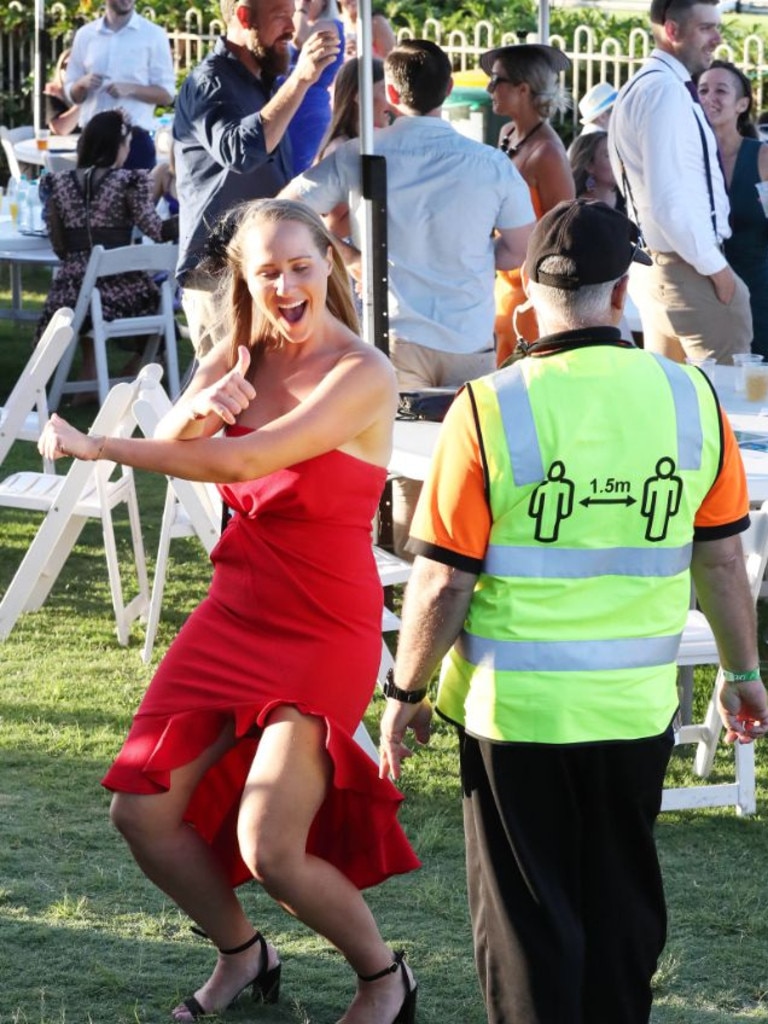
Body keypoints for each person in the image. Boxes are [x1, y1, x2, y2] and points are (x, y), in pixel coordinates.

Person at [378, 198, 768, 1024]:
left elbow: (444, 581)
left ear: (524, 294)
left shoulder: (486, 408)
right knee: (623, 910)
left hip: (513, 716)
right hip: (633, 707)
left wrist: (404, 694)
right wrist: (741, 674)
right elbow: (724, 557)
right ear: (621, 293)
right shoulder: (692, 398)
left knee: (527, 928)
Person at [38, 198, 420, 1024]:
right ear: (244, 281)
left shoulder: (364, 373)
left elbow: (243, 458)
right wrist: (205, 397)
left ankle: (384, 976)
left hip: (324, 627)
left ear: (331, 265)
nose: (285, 286)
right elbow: (187, 443)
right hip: (234, 611)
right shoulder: (235, 356)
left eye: (299, 266)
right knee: (140, 812)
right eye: (266, 272)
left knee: (270, 846)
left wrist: (98, 443)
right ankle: (245, 956)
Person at [282, 39, 535, 554]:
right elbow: (519, 251)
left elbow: (286, 209)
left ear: (391, 93)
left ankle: (410, 588)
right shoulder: (488, 164)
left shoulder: (361, 154)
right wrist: (474, 253)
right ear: (448, 88)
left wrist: (347, 253)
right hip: (467, 335)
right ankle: (460, 586)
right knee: (474, 470)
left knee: (406, 476)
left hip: (392, 332)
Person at [173, 0, 341, 358]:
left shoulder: (261, 83)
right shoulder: (209, 82)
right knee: (226, 400)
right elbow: (241, 151)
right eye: (280, 15)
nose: (292, 29)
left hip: (262, 271)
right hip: (219, 276)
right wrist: (300, 79)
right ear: (245, 17)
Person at [609, 0, 752, 365]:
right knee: (730, 406)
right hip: (686, 269)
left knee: (672, 406)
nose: (717, 39)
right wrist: (719, 273)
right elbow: (668, 201)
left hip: (663, 266)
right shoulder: (665, 91)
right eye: (706, 28)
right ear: (672, 31)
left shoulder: (646, 86)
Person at [35, 109, 178, 388]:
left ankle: (89, 379)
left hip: (70, 291)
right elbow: (157, 231)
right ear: (118, 146)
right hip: (120, 290)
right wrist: (192, 220)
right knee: (156, 299)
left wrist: (79, 263)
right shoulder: (128, 182)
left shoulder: (58, 182)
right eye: (127, 144)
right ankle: (136, 375)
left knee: (92, 301)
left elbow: (59, 244)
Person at [480, 43, 575, 364]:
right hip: (503, 284)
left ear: (522, 89)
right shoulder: (508, 133)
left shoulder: (547, 153)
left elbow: (566, 234)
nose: (489, 88)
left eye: (496, 80)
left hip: (533, 294)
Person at [698, 60, 768, 358]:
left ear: (741, 104)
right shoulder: (689, 157)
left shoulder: (762, 157)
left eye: (720, 90)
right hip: (702, 291)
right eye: (702, 90)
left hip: (758, 292)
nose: (708, 97)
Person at [64, 0, 175, 171]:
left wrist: (131, 89)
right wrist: (81, 84)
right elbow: (72, 92)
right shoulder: (85, 35)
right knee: (88, 197)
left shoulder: (153, 35)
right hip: (93, 138)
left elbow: (167, 95)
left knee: (136, 198)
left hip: (134, 141)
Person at [315, 56, 390, 244]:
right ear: (359, 96)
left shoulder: (365, 143)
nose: (392, 101)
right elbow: (333, 225)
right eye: (385, 90)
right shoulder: (342, 149)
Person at [288, 0, 345, 174]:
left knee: (302, 171)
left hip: (308, 108)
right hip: (288, 102)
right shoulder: (301, 23)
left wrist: (302, 9)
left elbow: (299, 39)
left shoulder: (329, 25)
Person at [569, 130, 623, 208]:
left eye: (617, 154)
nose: (618, 161)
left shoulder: (630, 201)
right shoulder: (578, 209)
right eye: (608, 155)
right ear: (589, 166)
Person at [44, 48, 81, 136]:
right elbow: (60, 130)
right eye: (67, 66)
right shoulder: (52, 92)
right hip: (58, 147)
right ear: (59, 69)